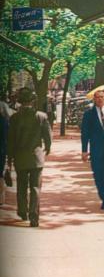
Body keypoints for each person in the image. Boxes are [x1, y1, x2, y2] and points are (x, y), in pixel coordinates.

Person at [6, 87, 51, 226]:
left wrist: (10, 158)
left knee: (21, 186)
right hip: (36, 158)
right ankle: (34, 215)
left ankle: (22, 211)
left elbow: (11, 139)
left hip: (20, 157)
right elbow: (47, 136)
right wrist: (47, 148)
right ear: (33, 101)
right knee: (35, 188)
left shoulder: (14, 117)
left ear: (20, 101)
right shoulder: (42, 116)